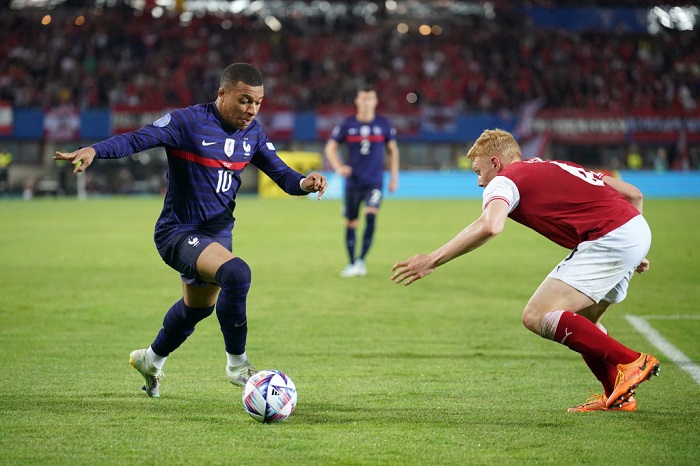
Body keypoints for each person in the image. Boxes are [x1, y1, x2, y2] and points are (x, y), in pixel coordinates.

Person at [54, 63, 327, 398]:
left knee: (198, 308)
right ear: (222, 93)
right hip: (178, 231)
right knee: (237, 274)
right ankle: (238, 367)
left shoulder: (253, 134)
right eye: (244, 101)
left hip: (218, 233)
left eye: (257, 102)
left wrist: (304, 182)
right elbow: (139, 138)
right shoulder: (187, 122)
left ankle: (150, 360)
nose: (251, 110)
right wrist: (96, 149)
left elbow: (284, 177)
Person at [391, 129, 659, 412]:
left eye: (478, 171)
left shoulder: (504, 180)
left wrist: (432, 259)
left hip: (611, 237)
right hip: (631, 231)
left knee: (536, 315)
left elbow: (490, 225)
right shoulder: (555, 164)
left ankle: (629, 360)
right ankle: (617, 395)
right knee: (584, 321)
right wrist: (634, 247)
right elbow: (633, 194)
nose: (479, 182)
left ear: (495, 163)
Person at [324, 84, 400, 277]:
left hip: (374, 181)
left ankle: (361, 261)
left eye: (370, 99)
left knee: (371, 214)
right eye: (363, 99)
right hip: (353, 182)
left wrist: (394, 177)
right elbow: (330, 148)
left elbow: (393, 151)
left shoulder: (383, 124)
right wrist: (339, 167)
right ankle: (351, 263)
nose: (366, 102)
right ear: (357, 101)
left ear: (375, 101)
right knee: (351, 223)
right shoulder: (347, 124)